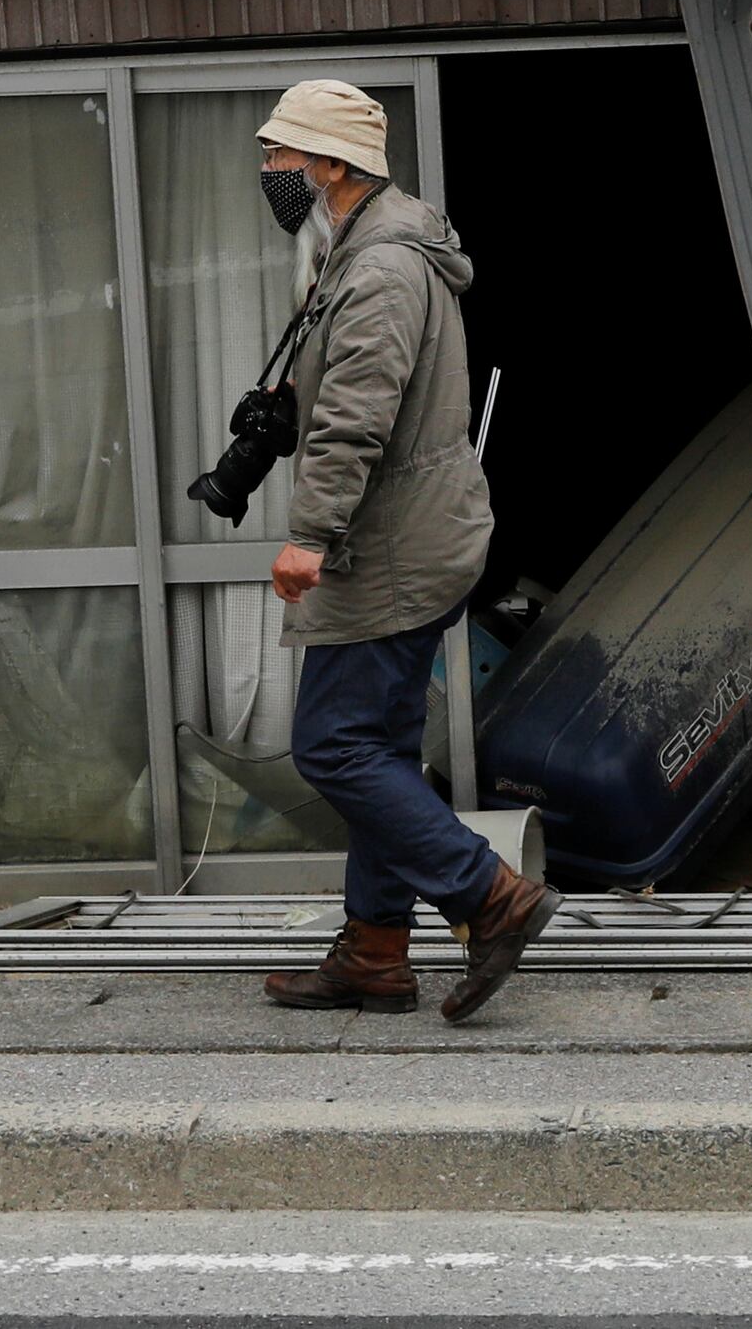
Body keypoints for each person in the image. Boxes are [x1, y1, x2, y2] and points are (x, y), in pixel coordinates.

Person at [246, 77, 559, 1019]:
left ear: (334, 165)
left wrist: (309, 537)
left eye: (282, 157)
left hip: (389, 547)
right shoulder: (362, 250)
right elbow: (342, 393)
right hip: (414, 535)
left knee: (334, 748)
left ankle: (490, 896)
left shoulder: (380, 269)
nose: (269, 173)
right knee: (375, 745)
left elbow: (356, 421)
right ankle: (376, 954)